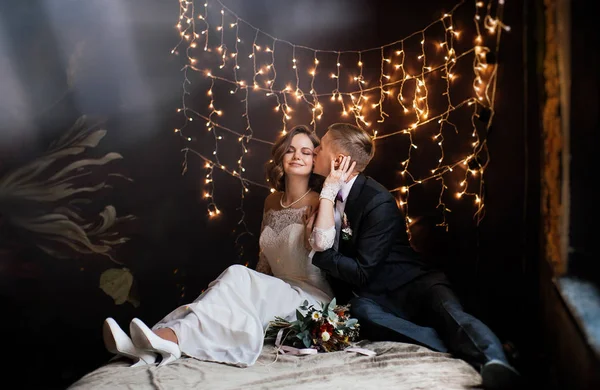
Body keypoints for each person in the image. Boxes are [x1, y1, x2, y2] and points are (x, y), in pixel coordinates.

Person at [306, 122, 521, 389]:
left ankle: (497, 363)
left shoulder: (377, 201)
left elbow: (361, 271)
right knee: (361, 312)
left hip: (416, 285)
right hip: (376, 298)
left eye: (321, 145)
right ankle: (457, 346)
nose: (314, 150)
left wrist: (317, 254)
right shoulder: (324, 194)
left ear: (338, 160)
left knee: (452, 316)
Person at [102, 125, 338, 368]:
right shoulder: (271, 201)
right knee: (229, 292)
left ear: (314, 161)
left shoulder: (321, 202)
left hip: (308, 300)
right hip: (275, 291)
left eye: (306, 152)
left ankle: (164, 339)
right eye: (290, 150)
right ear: (281, 156)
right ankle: (153, 345)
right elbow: (265, 263)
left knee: (237, 274)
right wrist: (247, 291)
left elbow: (324, 244)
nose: (297, 156)